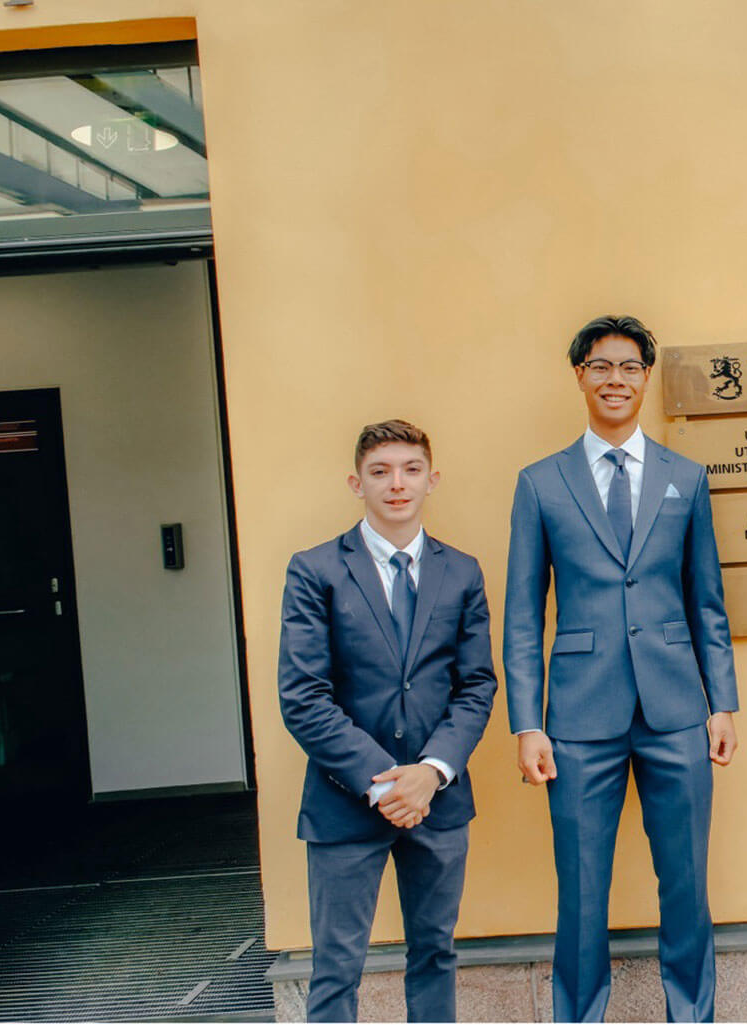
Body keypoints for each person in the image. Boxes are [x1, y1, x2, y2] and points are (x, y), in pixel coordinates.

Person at [503, 314, 740, 1023]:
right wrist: (526, 723)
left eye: (630, 366)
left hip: (676, 711)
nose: (616, 379)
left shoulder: (685, 477)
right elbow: (522, 615)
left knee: (686, 885)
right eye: (601, 366)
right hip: (577, 717)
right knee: (579, 891)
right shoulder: (540, 483)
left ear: (645, 376)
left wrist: (721, 701)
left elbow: (708, 602)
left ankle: (692, 1014)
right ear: (579, 375)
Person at [277, 419, 497, 1023]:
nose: (396, 484)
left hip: (439, 801)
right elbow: (302, 695)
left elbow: (477, 685)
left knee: (435, 953)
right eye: (380, 472)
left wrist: (430, 773)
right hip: (345, 801)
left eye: (410, 470)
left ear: (431, 480)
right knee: (336, 964)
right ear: (357, 483)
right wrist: (385, 780)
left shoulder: (463, 572)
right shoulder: (315, 570)